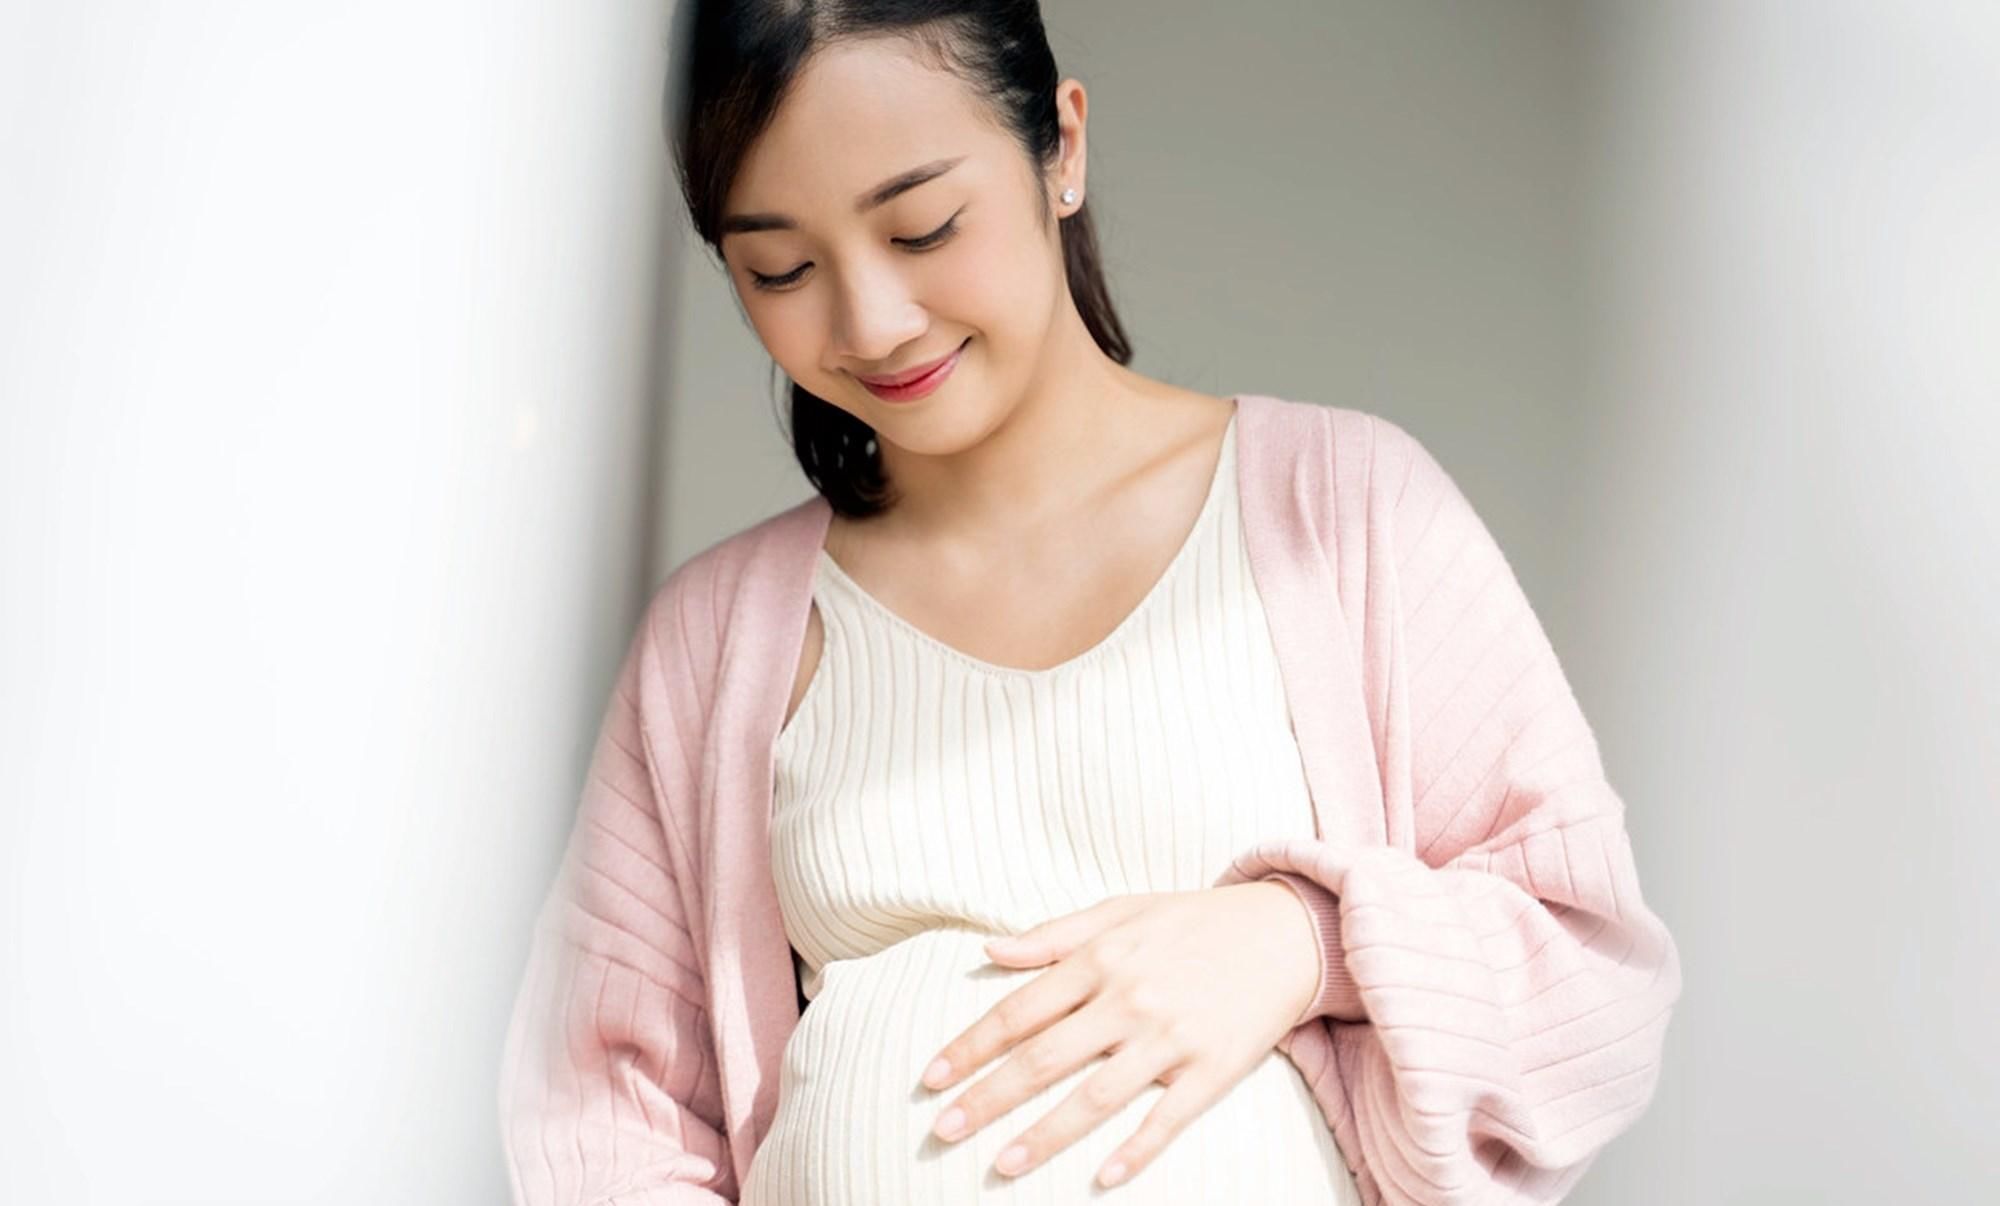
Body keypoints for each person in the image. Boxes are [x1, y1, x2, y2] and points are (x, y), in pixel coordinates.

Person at [497, 3, 1684, 1204]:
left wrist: (1301, 943)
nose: (871, 322)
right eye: (782, 268)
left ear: (1060, 148)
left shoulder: (1347, 514)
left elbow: (1588, 972)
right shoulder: (718, 642)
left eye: (922, 227)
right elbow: (608, 1117)